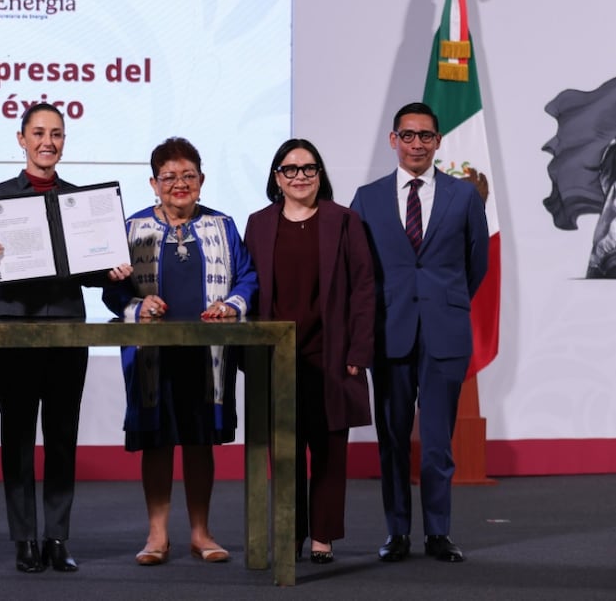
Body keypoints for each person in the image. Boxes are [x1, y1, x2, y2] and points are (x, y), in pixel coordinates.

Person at [0, 103, 131, 574]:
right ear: (20, 138)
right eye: (39, 133)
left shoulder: (81, 202)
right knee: (18, 435)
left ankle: (57, 537)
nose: (48, 141)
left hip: (66, 325)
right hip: (15, 325)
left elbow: (88, 274)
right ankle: (24, 538)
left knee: (63, 435)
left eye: (57, 134)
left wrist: (110, 271)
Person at [102, 137, 256, 567]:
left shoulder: (224, 226)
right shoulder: (132, 229)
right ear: (153, 183)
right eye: (169, 177)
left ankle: (201, 533)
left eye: (188, 175)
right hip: (153, 356)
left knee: (199, 441)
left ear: (202, 180)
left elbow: (247, 277)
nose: (179, 184)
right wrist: (138, 305)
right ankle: (156, 536)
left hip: (207, 356)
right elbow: (113, 291)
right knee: (156, 442)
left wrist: (231, 305)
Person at [350, 102, 489, 563]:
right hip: (389, 331)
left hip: (444, 334)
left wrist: (442, 303)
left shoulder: (464, 195)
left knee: (436, 441)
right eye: (407, 135)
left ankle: (437, 532)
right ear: (393, 140)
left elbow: (476, 265)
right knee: (391, 437)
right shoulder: (366, 198)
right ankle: (397, 533)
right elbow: (358, 270)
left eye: (425, 136)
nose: (416, 144)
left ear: (437, 142)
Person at [243, 138, 376, 564]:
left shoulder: (344, 221)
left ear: (320, 174)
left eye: (309, 168)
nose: (300, 176)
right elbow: (249, 287)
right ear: (276, 178)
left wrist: (359, 349)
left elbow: (364, 289)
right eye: (290, 169)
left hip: (332, 355)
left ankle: (322, 536)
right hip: (278, 359)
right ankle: (290, 532)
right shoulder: (258, 223)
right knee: (284, 452)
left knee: (330, 450)